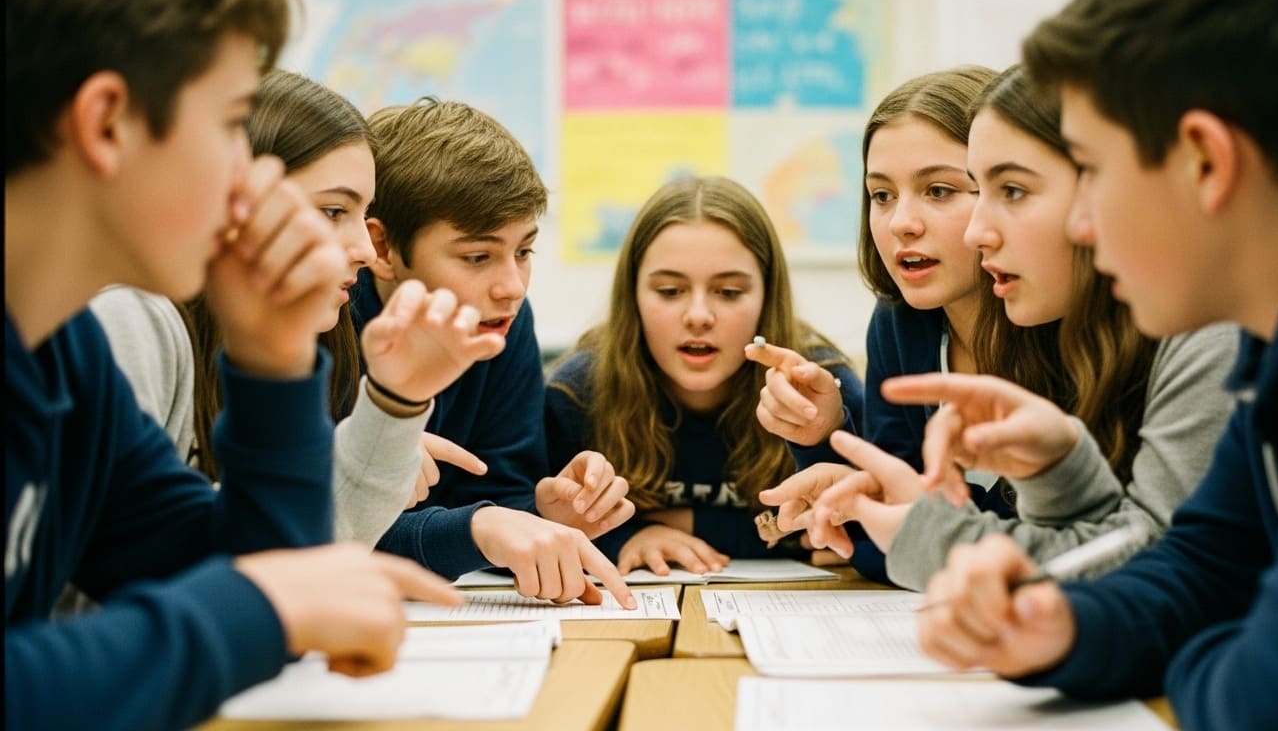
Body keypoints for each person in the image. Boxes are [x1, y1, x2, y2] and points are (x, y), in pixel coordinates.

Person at [903, 0, 1278, 728]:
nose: (1081, 222)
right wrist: (1062, 625)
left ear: (1206, 161)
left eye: (1092, 170)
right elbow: (1202, 569)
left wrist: (1218, 645)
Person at [5, 0, 458, 728]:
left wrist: (272, 360)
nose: (249, 179)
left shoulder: (66, 353)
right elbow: (257, 596)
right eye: (229, 125)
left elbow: (241, 568)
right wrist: (263, 605)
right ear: (107, 123)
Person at [803, 65, 1240, 589]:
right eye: (880, 196)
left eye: (1011, 191)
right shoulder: (1077, 323)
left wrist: (929, 535)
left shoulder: (1205, 334)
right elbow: (1102, 548)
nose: (978, 231)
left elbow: (1158, 571)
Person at [90, 69, 504, 547]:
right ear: (236, 198)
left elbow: (299, 548)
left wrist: (396, 403)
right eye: (333, 212)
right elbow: (130, 559)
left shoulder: (301, 339)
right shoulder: (133, 319)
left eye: (363, 215)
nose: (365, 251)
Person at [353, 97, 636, 607]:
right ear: (383, 249)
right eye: (478, 256)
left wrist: (543, 516)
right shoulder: (322, 322)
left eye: (524, 251)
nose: (512, 287)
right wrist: (477, 529)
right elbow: (329, 530)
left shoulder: (503, 321)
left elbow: (492, 501)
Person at [745, 67, 1002, 582]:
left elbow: (1072, 539)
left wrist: (903, 526)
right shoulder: (899, 323)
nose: (901, 222)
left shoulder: (1067, 328)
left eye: (938, 190)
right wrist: (823, 433)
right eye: (881, 195)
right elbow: (883, 541)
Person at [545, 176, 862, 575]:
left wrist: (677, 522)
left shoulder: (823, 389)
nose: (698, 316)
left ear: (767, 296)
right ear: (633, 295)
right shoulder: (577, 392)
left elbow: (856, 532)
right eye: (669, 291)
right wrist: (625, 538)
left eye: (728, 292)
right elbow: (524, 523)